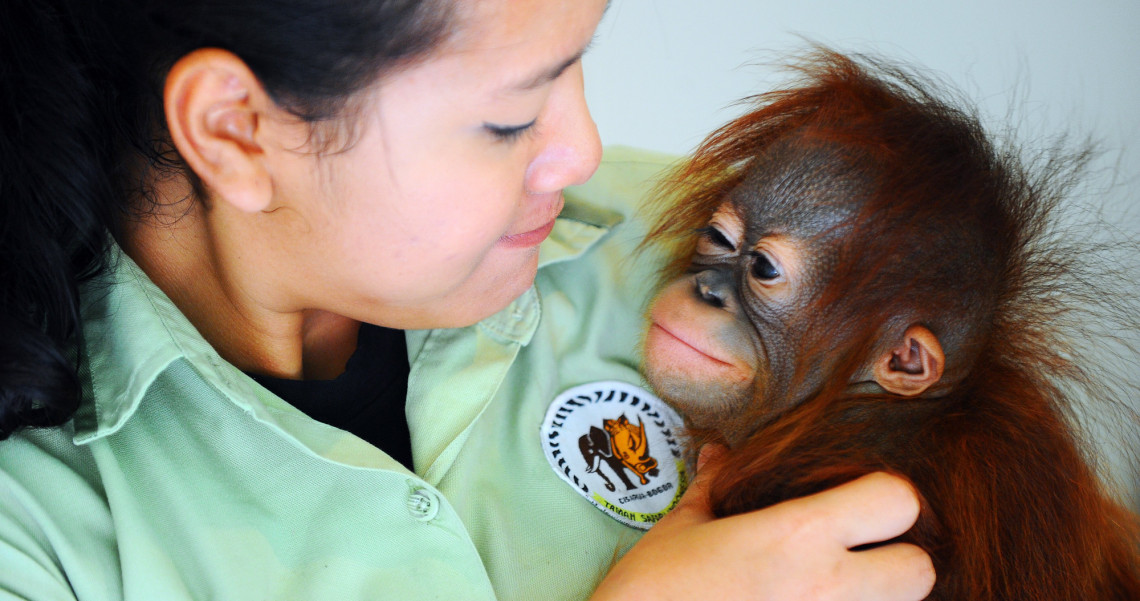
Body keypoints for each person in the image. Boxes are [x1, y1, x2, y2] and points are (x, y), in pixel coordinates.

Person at [0, 0, 935, 599]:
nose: (583, 151)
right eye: (511, 118)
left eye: (579, 59)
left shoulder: (720, 238)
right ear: (236, 131)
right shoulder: (32, 527)